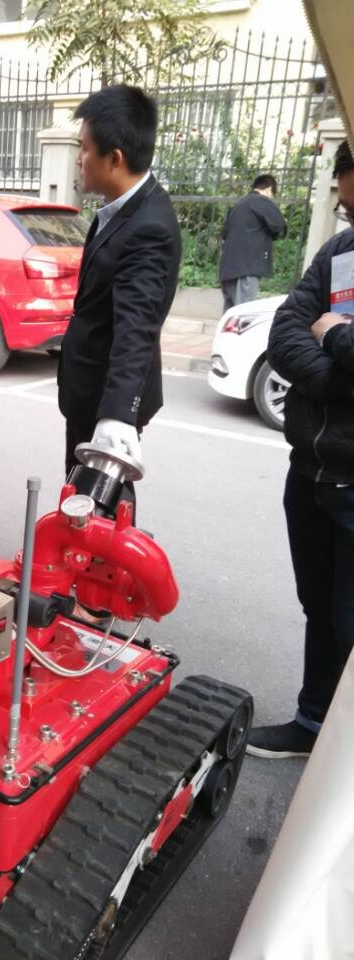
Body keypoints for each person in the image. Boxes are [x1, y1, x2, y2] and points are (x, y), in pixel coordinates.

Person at [247, 140, 354, 759]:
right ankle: (313, 725)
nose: (346, 211)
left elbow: (326, 335)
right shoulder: (339, 253)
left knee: (350, 621)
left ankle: (341, 759)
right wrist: (339, 377)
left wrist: (334, 335)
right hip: (310, 470)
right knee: (319, 609)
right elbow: (286, 330)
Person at [58, 84, 181, 475]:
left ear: (114, 158)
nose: (79, 159)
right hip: (89, 394)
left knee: (97, 504)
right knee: (82, 497)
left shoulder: (149, 227)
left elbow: (137, 327)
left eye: (84, 148)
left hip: (105, 402)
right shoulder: (121, 210)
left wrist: (115, 416)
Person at [219, 174, 287, 312]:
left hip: (228, 270)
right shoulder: (261, 201)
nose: (271, 198)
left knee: (230, 316)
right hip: (248, 268)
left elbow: (224, 233)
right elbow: (279, 226)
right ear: (268, 189)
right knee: (244, 313)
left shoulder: (238, 205)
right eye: (272, 194)